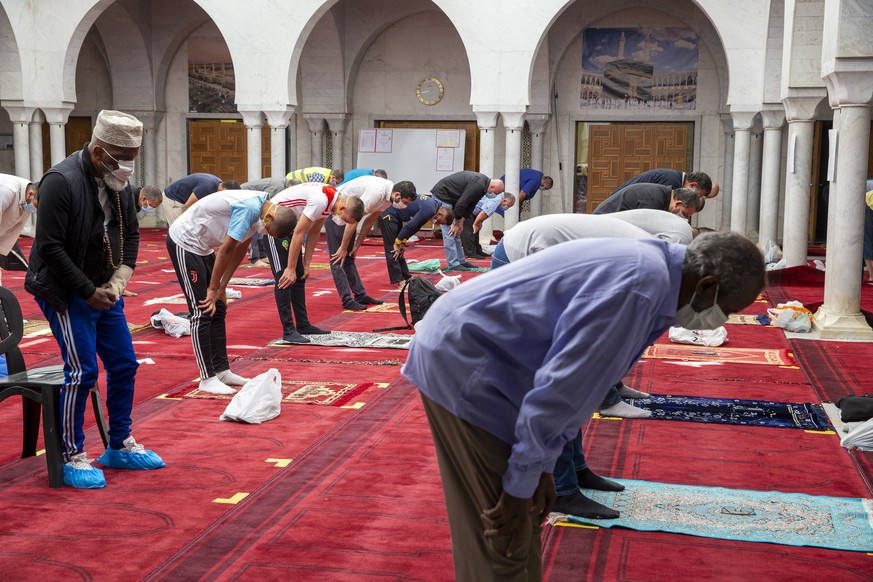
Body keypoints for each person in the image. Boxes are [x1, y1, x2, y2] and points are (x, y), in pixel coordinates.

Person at [402, 231, 766, 579]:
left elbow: (580, 387)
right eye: (729, 309)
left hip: (492, 355)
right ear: (707, 285)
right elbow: (559, 391)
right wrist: (521, 482)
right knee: (505, 537)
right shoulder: (638, 290)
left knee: (515, 525)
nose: (725, 320)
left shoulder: (659, 274)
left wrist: (543, 467)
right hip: (468, 361)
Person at [24, 110, 165, 489]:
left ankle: (118, 444)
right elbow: (49, 248)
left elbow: (131, 235)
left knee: (124, 364)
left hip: (104, 289)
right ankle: (73, 454)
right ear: (100, 152)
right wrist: (87, 291)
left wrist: (119, 280)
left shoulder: (117, 185)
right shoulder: (60, 182)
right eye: (123, 159)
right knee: (82, 371)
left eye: (133, 158)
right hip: (65, 292)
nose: (129, 169)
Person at [166, 189, 296, 395]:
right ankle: (207, 378)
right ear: (270, 217)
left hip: (204, 247)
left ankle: (221, 370)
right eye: (269, 231)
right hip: (185, 242)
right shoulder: (249, 209)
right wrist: (212, 288)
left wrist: (222, 286)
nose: (266, 234)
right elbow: (226, 250)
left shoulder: (263, 208)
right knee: (201, 310)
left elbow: (240, 248)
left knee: (219, 307)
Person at [269, 182, 365, 343]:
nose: (343, 222)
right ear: (342, 209)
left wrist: (306, 263)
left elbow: (314, 232)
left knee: (300, 276)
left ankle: (302, 324)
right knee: (284, 278)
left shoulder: (332, 200)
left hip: (290, 225)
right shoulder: (321, 200)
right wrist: (291, 267)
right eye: (345, 219)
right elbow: (300, 233)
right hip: (273, 223)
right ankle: (288, 330)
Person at [330, 176, 417, 310]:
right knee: (338, 258)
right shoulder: (377, 193)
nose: (405, 206)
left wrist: (357, 245)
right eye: (405, 202)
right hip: (337, 213)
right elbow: (354, 217)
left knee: (349, 257)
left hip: (349, 216)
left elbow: (369, 221)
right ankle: (346, 299)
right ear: (398, 194)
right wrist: (342, 247)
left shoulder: (389, 199)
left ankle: (360, 295)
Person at [430, 171, 505, 271]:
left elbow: (471, 205)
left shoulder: (483, 186)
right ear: (492, 188)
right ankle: (453, 263)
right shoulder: (478, 184)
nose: (494, 195)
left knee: (457, 232)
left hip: (452, 199)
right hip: (443, 196)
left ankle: (461, 261)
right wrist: (456, 222)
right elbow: (461, 204)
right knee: (450, 231)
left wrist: (462, 221)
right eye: (495, 193)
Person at [379, 196, 455, 285]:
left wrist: (403, 241)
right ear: (440, 215)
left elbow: (416, 227)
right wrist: (398, 242)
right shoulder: (430, 209)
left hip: (396, 216)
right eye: (440, 222)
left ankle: (406, 277)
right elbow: (410, 226)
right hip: (388, 215)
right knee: (393, 249)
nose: (437, 224)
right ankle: (399, 280)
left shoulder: (433, 207)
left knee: (400, 249)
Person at [242, 177, 291, 267]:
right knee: (253, 229)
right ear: (290, 186)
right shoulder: (278, 187)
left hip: (256, 203)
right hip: (247, 202)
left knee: (263, 228)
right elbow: (269, 205)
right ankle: (255, 258)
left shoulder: (282, 185)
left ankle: (263, 255)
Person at [0, 173, 38, 273]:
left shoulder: (27, 199)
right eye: (37, 205)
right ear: (30, 194)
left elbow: (14, 230)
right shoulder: (7, 189)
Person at [594, 183, 701, 218]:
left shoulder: (661, 195)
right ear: (678, 204)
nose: (682, 218)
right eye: (684, 215)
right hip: (601, 223)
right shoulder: (654, 200)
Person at [462, 193, 516, 259]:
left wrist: (479, 222)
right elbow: (483, 213)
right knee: (470, 231)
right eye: (508, 206)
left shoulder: (498, 197)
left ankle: (477, 251)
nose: (506, 208)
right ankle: (471, 253)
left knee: (475, 231)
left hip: (473, 211)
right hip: (468, 210)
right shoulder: (496, 201)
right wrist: (476, 224)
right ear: (504, 200)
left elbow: (483, 214)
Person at [160, 173, 225, 225]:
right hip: (173, 198)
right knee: (179, 229)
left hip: (185, 200)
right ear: (225, 189)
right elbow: (186, 207)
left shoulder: (219, 184)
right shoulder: (206, 187)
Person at [613, 168, 717, 199]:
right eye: (697, 195)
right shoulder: (671, 182)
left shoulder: (675, 178)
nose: (694, 199)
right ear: (693, 185)